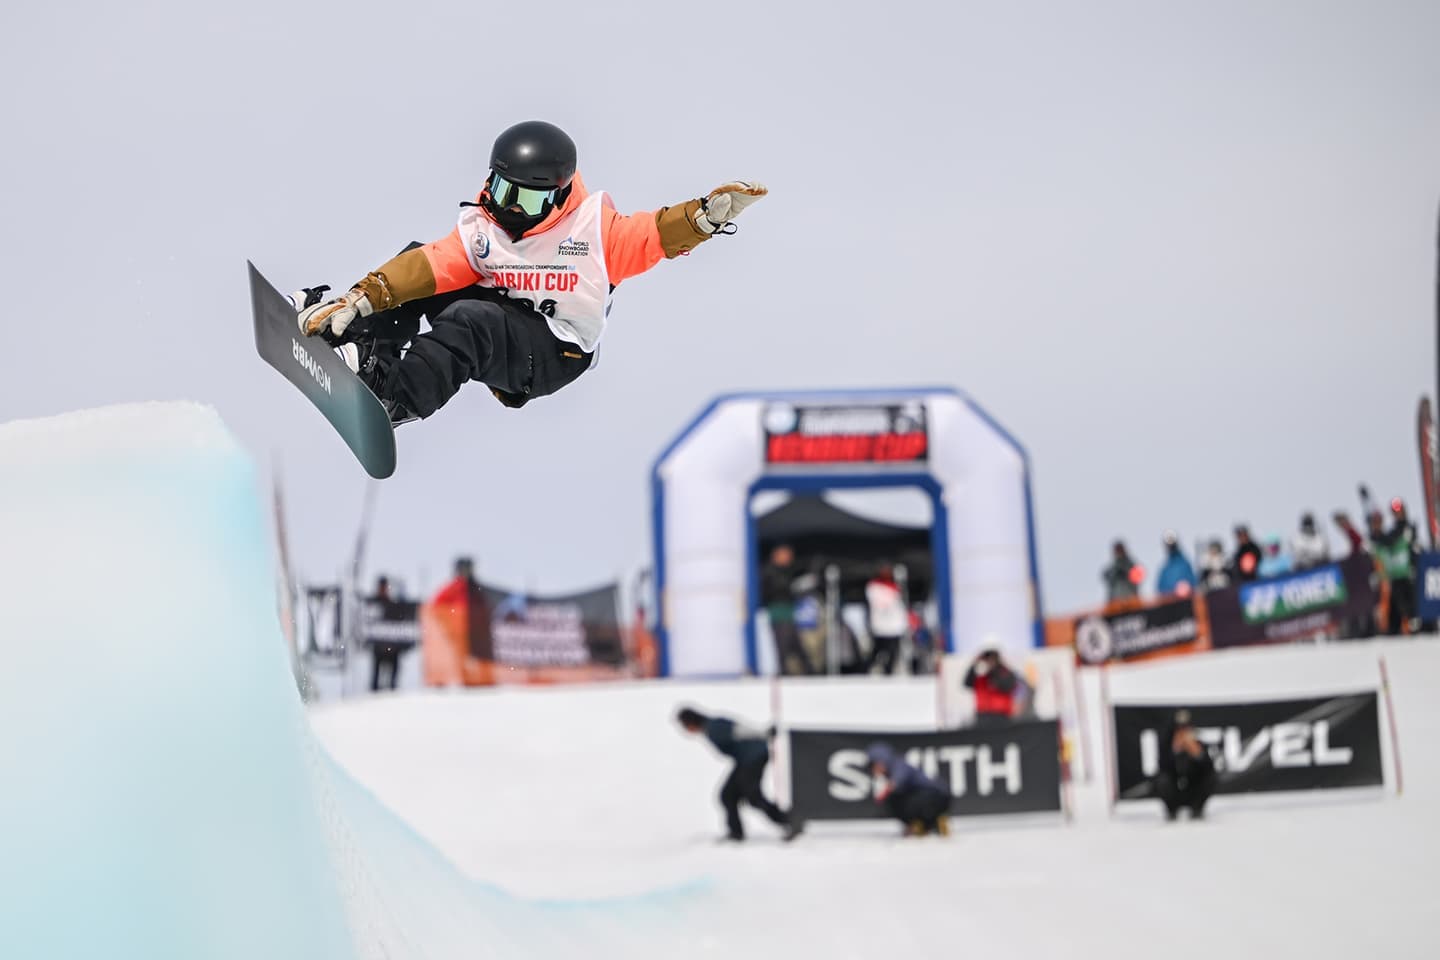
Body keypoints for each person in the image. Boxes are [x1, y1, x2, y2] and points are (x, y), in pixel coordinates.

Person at [293, 120, 767, 424]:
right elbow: (431, 266)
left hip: (554, 350)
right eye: (504, 190)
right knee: (419, 268)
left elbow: (653, 235)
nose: (512, 208)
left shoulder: (594, 233)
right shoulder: (486, 225)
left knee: (471, 321)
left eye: (528, 198)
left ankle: (396, 397)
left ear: (559, 197)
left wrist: (701, 219)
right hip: (504, 316)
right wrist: (361, 297)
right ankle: (361, 346)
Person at [676, 707, 801, 843]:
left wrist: (763, 733)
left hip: (753, 758)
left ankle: (790, 821)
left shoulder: (715, 727)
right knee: (728, 795)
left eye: (684, 726)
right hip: (745, 760)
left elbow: (740, 730)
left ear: (690, 723)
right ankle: (736, 833)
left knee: (753, 797)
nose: (685, 730)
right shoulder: (710, 727)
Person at [866, 743, 952, 837]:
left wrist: (883, 794)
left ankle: (928, 821)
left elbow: (898, 781)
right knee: (899, 800)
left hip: (936, 796)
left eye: (874, 764)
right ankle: (927, 824)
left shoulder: (898, 765)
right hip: (934, 796)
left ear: (882, 760)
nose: (873, 769)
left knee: (895, 801)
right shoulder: (894, 767)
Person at [762, 544, 816, 675]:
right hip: (779, 614)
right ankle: (785, 673)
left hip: (789, 614)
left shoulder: (788, 571)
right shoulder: (770, 572)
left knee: (797, 647)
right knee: (783, 647)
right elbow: (775, 590)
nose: (789, 559)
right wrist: (792, 587)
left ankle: (809, 672)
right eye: (786, 555)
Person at [1153, 709, 1217, 821]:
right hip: (1175, 791)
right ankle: (1172, 809)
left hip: (1193, 790)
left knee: (1211, 778)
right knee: (1162, 781)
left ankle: (1197, 807)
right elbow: (1161, 768)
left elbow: (1209, 769)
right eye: (1180, 727)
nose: (1183, 731)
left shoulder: (1198, 741)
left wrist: (1198, 754)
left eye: (1185, 727)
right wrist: (1175, 752)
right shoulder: (1167, 743)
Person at [363, 575, 411, 692]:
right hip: (379, 648)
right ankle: (374, 692)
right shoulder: (373, 604)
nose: (383, 590)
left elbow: (401, 622)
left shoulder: (393, 604)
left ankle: (392, 690)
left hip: (392, 648)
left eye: (384, 587)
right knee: (376, 675)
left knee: (394, 673)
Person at [864, 564, 908, 675]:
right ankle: (869, 669)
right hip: (881, 626)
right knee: (877, 651)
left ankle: (888, 671)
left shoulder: (895, 588)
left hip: (894, 627)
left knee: (893, 652)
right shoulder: (874, 587)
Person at [963, 648, 1019, 727]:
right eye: (987, 659)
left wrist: (994, 667)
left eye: (991, 659)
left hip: (1001, 716)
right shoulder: (980, 678)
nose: (988, 661)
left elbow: (1007, 686)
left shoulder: (1005, 673)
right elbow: (966, 683)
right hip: (982, 716)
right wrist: (974, 664)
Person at [1155, 531, 1196, 597]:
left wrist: (1186, 587)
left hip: (1186, 601)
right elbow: (1160, 588)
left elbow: (1193, 582)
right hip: (1169, 601)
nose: (1171, 548)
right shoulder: (1165, 569)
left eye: (1173, 545)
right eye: (1169, 546)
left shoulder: (1185, 565)